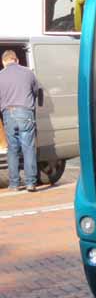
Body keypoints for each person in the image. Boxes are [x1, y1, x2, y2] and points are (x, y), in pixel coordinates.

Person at [0, 50, 40, 192]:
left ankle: (14, 184)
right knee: (28, 148)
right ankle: (30, 183)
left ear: (4, 62)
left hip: (7, 114)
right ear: (16, 59)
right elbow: (36, 91)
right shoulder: (28, 72)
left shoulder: (0, 75)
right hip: (25, 112)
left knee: (12, 149)